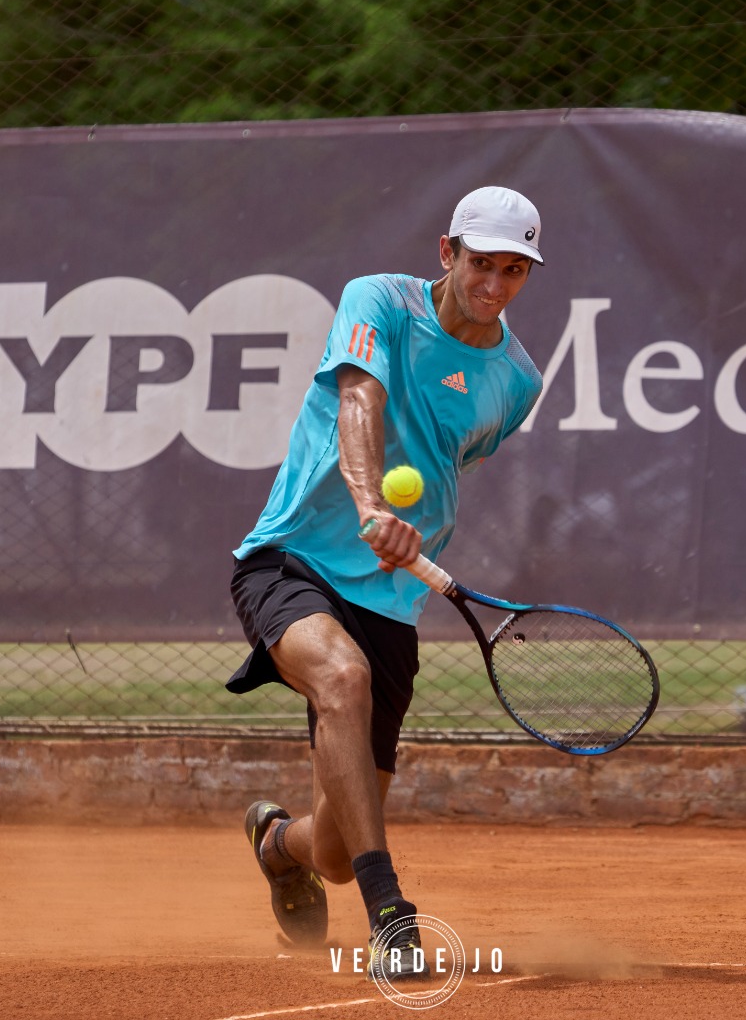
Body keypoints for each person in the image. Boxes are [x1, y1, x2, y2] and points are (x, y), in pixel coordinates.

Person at [229, 186, 545, 979]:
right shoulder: (378, 301)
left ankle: (277, 844)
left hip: (390, 596)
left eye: (515, 270)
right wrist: (370, 503)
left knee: (332, 851)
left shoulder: (519, 381)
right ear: (447, 253)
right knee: (341, 676)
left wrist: (404, 528)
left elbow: (448, 467)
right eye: (482, 264)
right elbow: (359, 396)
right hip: (292, 558)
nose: (495, 284)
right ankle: (391, 917)